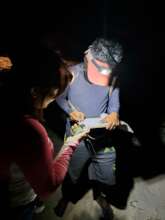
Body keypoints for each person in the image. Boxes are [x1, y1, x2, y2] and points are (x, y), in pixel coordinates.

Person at [0, 46, 89, 220]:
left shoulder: (8, 96)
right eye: (54, 93)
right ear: (34, 91)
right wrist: (71, 142)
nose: (54, 99)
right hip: (14, 204)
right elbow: (48, 186)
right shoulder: (30, 131)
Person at [54, 38, 128, 219]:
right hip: (77, 136)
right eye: (101, 69)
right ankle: (67, 197)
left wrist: (113, 114)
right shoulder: (72, 74)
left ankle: (100, 197)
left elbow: (113, 104)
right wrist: (70, 111)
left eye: (109, 71)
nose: (105, 75)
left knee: (106, 173)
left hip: (103, 137)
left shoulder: (113, 79)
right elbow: (59, 98)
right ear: (88, 59)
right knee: (72, 172)